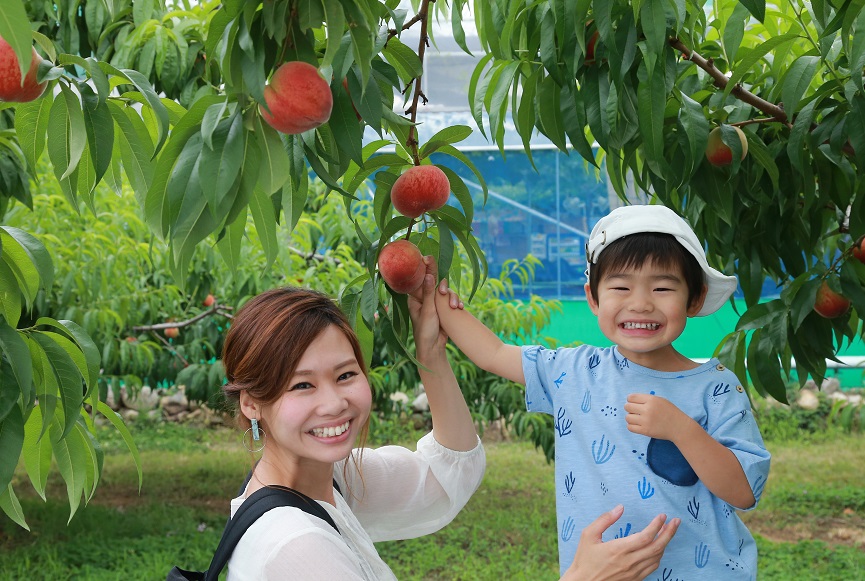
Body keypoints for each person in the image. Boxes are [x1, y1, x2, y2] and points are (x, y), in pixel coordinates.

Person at [219, 258, 679, 580]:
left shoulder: (326, 480)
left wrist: (431, 355)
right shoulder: (296, 546)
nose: (334, 402)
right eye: (302, 385)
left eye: (345, 375)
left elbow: (446, 474)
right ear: (251, 403)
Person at [433, 205, 771, 579]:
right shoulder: (575, 372)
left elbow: (743, 492)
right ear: (593, 298)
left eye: (662, 287)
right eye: (621, 287)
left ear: (694, 298)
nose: (641, 303)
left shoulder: (717, 388)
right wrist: (434, 298)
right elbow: (494, 354)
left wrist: (682, 429)